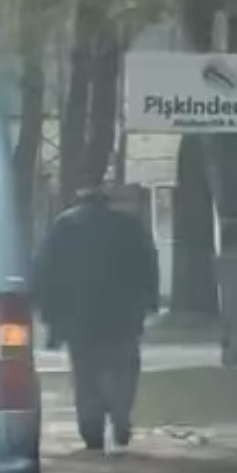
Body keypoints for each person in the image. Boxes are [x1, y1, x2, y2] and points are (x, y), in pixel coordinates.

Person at [34, 183, 160, 451]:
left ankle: (91, 428)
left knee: (86, 374)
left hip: (79, 317)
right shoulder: (128, 225)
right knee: (124, 368)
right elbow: (148, 263)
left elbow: (47, 272)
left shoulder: (64, 226)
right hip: (123, 315)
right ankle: (120, 413)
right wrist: (150, 301)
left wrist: (50, 316)